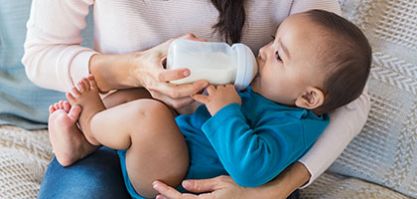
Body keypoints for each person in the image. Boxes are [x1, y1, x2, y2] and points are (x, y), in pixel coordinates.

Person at [22, 1, 371, 198]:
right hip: (146, 139)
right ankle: (87, 136)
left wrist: (271, 191)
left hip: (212, 177)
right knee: (135, 100)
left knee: (146, 114)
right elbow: (41, 55)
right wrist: (134, 69)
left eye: (277, 53)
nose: (262, 52)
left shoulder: (284, 108)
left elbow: (348, 97)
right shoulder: (260, 92)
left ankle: (89, 128)